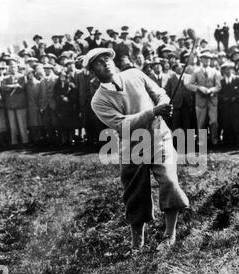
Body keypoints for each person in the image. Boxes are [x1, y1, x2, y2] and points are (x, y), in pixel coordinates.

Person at [86, 48, 189, 252]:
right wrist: (153, 111)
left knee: (169, 181)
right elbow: (122, 124)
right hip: (131, 146)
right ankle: (137, 243)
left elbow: (160, 93)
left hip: (160, 136)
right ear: (92, 71)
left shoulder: (134, 73)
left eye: (107, 58)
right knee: (135, 193)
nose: (105, 63)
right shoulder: (98, 100)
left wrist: (163, 104)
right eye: (98, 62)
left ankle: (170, 235)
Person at [186, 51, 222, 146]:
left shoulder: (215, 72)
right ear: (201, 59)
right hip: (200, 100)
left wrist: (211, 90)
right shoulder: (196, 71)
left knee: (213, 121)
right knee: (201, 122)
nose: (207, 60)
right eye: (205, 58)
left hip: (212, 100)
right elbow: (189, 85)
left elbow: (219, 86)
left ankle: (214, 140)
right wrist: (199, 88)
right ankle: (201, 142)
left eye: (208, 58)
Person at [1, 59, 29, 147]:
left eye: (14, 66)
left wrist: (13, 87)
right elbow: (3, 87)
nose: (12, 68)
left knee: (22, 124)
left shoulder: (22, 77)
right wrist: (13, 86)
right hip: (10, 104)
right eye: (11, 66)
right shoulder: (5, 78)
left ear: (17, 67)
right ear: (8, 68)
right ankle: (14, 142)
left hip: (20, 103)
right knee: (12, 125)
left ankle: (25, 141)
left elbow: (22, 87)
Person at [218, 61, 239, 147]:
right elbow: (219, 92)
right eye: (226, 70)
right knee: (226, 123)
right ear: (223, 71)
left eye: (229, 69)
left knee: (236, 123)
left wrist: (235, 97)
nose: (228, 71)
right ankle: (227, 142)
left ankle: (237, 142)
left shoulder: (237, 79)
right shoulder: (221, 81)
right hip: (225, 105)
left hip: (235, 105)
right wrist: (223, 98)